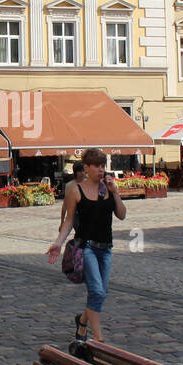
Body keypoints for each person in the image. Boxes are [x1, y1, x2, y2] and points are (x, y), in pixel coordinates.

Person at [47, 147, 127, 343]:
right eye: (96, 166)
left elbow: (122, 215)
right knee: (97, 291)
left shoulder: (106, 189)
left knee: (101, 292)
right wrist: (58, 242)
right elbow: (68, 220)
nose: (101, 170)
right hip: (87, 247)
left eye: (103, 166)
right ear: (86, 168)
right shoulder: (76, 190)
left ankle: (82, 322)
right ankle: (99, 339)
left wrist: (115, 192)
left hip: (106, 248)